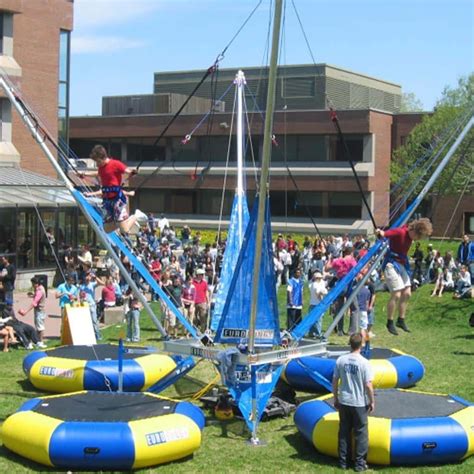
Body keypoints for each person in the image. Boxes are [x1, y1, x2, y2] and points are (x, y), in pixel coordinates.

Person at [376, 218, 433, 335]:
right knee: (396, 293)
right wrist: (380, 233)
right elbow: (385, 234)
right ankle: (390, 321)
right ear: (415, 231)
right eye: (418, 237)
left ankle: (401, 320)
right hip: (391, 264)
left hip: (402, 264)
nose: (417, 240)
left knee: (407, 293)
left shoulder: (409, 236)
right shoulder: (400, 232)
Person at [80, 144, 147, 233]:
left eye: (97, 161)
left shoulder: (115, 164)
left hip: (117, 200)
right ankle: (119, 222)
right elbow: (98, 173)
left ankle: (136, 216)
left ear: (103, 157)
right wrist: (84, 174)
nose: (97, 164)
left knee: (125, 230)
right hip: (107, 201)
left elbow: (127, 171)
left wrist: (133, 172)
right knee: (106, 229)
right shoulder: (101, 167)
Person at [332, 333, 375, 472]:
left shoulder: (341, 360)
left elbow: (334, 381)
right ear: (361, 344)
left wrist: (336, 398)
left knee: (344, 431)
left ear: (350, 344)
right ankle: (359, 464)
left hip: (344, 400)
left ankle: (343, 462)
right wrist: (372, 401)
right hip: (358, 403)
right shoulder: (364, 363)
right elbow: (368, 385)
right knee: (361, 433)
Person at [17, 277, 47, 347]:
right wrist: (33, 295)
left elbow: (34, 303)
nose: (32, 285)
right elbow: (37, 297)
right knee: (38, 326)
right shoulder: (40, 288)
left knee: (40, 327)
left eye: (32, 283)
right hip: (40, 310)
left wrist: (25, 312)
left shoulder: (39, 291)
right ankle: (38, 341)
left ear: (35, 284)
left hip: (39, 311)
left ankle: (41, 342)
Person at [307, 272, 328, 338]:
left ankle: (312, 333)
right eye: (319, 278)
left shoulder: (313, 284)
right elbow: (318, 292)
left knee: (312, 320)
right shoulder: (315, 284)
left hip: (312, 303)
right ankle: (317, 333)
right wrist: (321, 300)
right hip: (316, 304)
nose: (320, 279)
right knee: (318, 320)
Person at [193, 268, 209, 333]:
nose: (202, 276)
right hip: (194, 302)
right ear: (198, 275)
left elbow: (206, 292)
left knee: (203, 317)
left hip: (202, 302)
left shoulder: (204, 283)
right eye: (201, 274)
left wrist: (208, 301)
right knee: (194, 318)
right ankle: (195, 330)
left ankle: (203, 330)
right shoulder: (193, 282)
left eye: (203, 274)